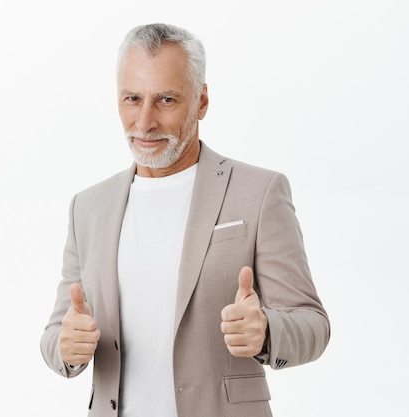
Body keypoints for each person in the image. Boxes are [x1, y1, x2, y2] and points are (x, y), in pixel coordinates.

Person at [40, 23, 330, 417]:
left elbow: (312, 324)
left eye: (166, 100)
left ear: (202, 101)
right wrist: (65, 347)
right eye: (131, 98)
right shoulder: (88, 207)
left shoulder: (260, 192)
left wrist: (265, 331)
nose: (143, 122)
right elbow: (56, 332)